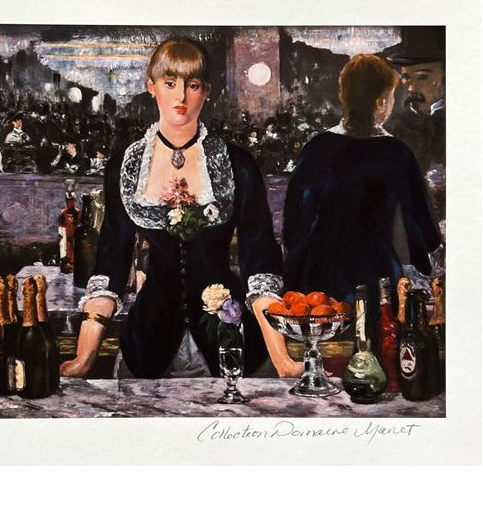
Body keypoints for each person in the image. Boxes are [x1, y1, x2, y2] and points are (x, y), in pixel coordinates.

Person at [60, 37, 302, 379]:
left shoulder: (237, 164)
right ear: (151, 86)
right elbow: (111, 264)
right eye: (170, 83)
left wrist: (282, 358)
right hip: (149, 343)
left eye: (193, 85)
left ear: (206, 91)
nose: (182, 97)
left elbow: (259, 263)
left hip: (232, 342)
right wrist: (84, 357)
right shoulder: (127, 166)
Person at [282, 54, 441, 345]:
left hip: (321, 268)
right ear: (382, 100)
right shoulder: (396, 152)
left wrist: (297, 261)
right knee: (377, 341)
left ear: (344, 95)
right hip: (375, 268)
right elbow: (418, 220)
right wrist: (426, 256)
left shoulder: (317, 148)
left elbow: (295, 221)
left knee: (324, 343)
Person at [385, 26, 445, 173]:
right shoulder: (394, 127)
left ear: (443, 78)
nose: (411, 88)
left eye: (422, 77)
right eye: (406, 78)